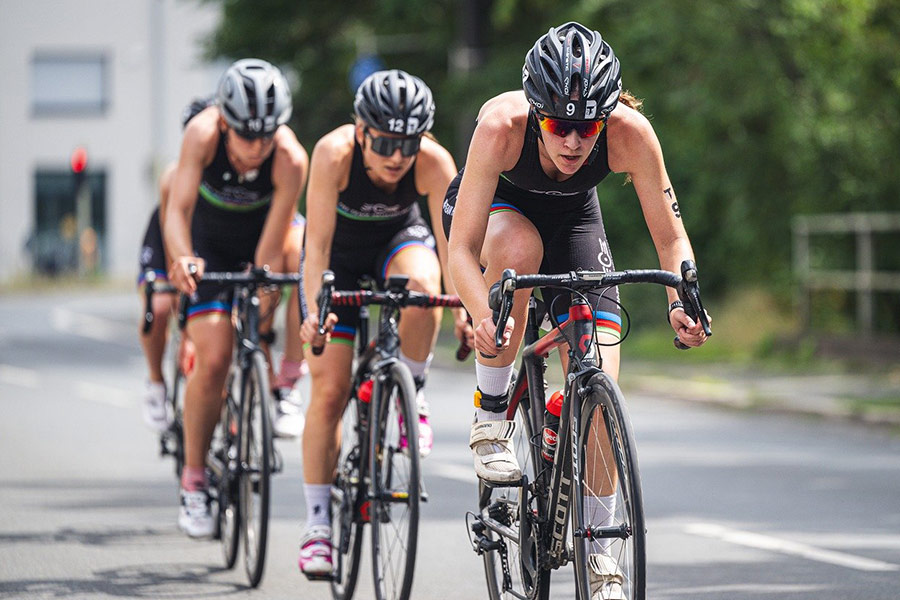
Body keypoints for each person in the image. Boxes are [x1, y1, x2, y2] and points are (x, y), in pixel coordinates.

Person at [444, 22, 710, 599]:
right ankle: (492, 415)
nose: (573, 141)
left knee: (598, 391)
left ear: (606, 116)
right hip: (499, 217)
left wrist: (680, 301)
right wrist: (480, 312)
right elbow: (460, 251)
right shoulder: (500, 127)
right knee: (519, 250)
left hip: (575, 221)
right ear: (537, 113)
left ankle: (604, 561)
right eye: (559, 125)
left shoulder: (631, 134)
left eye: (587, 126)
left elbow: (671, 240)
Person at [297, 69, 467, 578]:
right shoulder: (331, 155)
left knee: (423, 288)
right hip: (339, 262)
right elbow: (317, 250)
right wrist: (313, 312)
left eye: (409, 143)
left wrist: (461, 308)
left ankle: (411, 390)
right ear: (361, 131)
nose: (398, 155)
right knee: (328, 391)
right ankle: (318, 526)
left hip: (399, 243)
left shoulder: (433, 163)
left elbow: (454, 248)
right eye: (387, 142)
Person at [165, 58, 309, 538]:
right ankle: (193, 481)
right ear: (224, 121)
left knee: (300, 252)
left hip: (258, 243)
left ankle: (286, 378)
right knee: (214, 357)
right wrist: (183, 258)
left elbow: (274, 241)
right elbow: (177, 211)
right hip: (206, 248)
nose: (256, 146)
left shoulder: (289, 157)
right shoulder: (202, 136)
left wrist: (261, 293)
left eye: (266, 134)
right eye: (246, 135)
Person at [139, 98, 308, 439]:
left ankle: (280, 383)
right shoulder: (177, 175)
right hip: (181, 231)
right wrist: (188, 333)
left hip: (242, 231)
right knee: (159, 308)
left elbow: (274, 247)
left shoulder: (278, 160)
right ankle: (156, 382)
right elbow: (176, 228)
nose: (256, 145)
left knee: (267, 295)